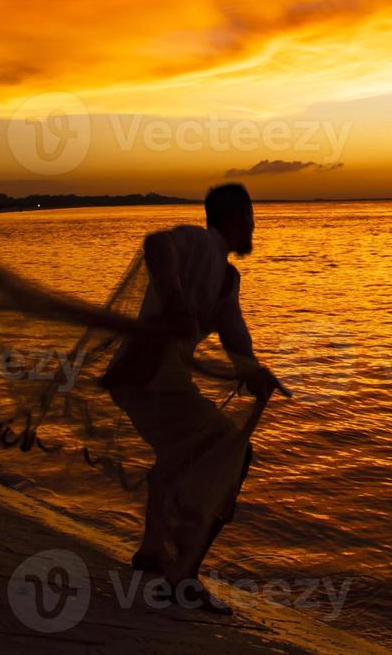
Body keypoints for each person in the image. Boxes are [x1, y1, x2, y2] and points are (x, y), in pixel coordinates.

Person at [100, 183, 288, 614]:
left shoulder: (226, 279)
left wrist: (254, 372)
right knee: (233, 454)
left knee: (181, 454)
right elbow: (156, 243)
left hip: (148, 379)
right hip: (150, 376)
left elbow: (235, 338)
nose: (254, 228)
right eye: (251, 218)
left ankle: (151, 549)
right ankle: (181, 578)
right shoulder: (197, 241)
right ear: (237, 217)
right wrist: (174, 296)